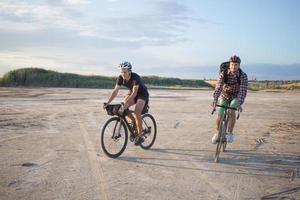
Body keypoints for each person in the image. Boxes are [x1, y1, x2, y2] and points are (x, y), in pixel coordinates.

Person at [105, 61, 149, 145]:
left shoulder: (135, 77)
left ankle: (140, 136)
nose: (123, 74)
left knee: (137, 112)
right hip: (131, 92)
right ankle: (134, 121)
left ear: (129, 71)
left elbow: (135, 93)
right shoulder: (120, 78)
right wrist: (108, 102)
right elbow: (115, 91)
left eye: (124, 72)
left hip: (141, 94)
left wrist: (126, 104)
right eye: (121, 72)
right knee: (123, 105)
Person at [211, 55, 248, 144]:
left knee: (231, 111)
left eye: (236, 65)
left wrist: (239, 103)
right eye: (232, 64)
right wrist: (215, 99)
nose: (233, 67)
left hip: (236, 96)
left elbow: (243, 90)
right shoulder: (224, 74)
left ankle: (230, 133)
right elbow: (219, 87)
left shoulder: (243, 76)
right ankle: (218, 133)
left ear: (239, 66)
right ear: (229, 65)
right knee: (220, 114)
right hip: (224, 94)